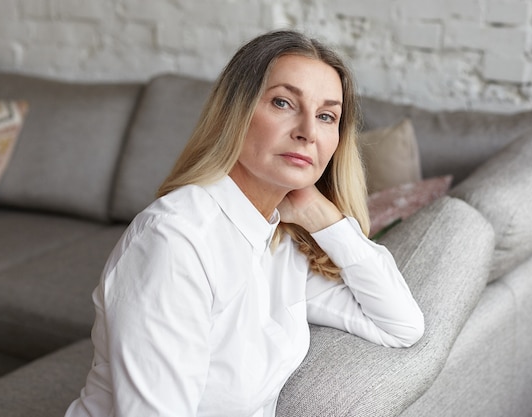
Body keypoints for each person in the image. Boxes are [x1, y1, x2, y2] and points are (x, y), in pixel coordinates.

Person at [65, 29, 424, 417]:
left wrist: (324, 217)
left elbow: (401, 325)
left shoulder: (280, 241)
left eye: (325, 116)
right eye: (284, 102)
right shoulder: (175, 241)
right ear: (235, 113)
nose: (307, 131)